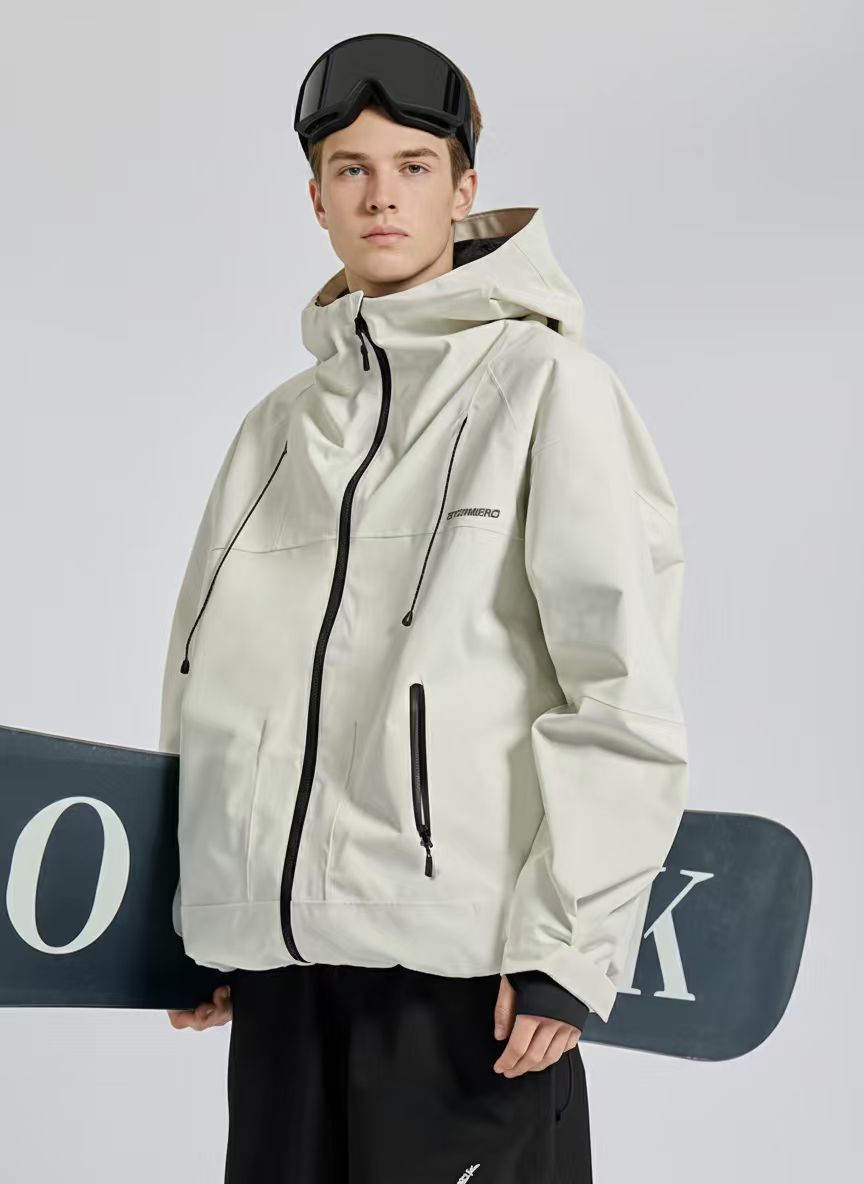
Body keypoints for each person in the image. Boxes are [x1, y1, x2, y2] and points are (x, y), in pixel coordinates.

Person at [160, 33, 688, 1183]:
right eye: (351, 169)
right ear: (316, 199)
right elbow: (206, 680)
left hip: (466, 984)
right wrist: (203, 910)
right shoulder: (275, 428)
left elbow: (619, 689)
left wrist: (569, 944)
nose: (381, 195)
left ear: (464, 188)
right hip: (286, 986)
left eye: (412, 165)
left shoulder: (549, 389)